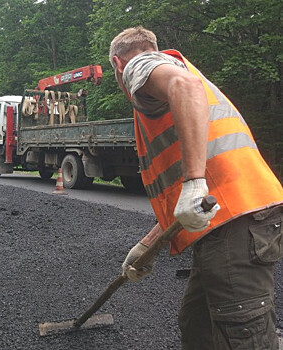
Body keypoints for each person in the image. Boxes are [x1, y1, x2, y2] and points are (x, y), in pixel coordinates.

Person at [109, 26, 283, 349]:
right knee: (196, 325)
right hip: (227, 216)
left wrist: (193, 182)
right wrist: (147, 247)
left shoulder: (139, 66)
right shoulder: (176, 76)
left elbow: (184, 86)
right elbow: (190, 199)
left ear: (117, 65)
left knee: (244, 335)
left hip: (235, 221)